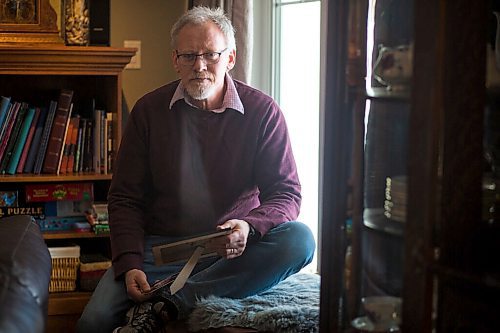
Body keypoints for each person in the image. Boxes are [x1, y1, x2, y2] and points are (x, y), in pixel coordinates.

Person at [76, 6, 315, 333]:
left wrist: (248, 225)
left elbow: (286, 193)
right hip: (160, 250)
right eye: (188, 56)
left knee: (300, 240)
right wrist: (130, 263)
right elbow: (124, 199)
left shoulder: (262, 112)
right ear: (175, 59)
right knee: (93, 322)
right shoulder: (148, 112)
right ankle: (171, 293)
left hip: (230, 249)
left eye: (211, 55)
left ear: (230, 58)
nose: (199, 66)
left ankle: (170, 303)